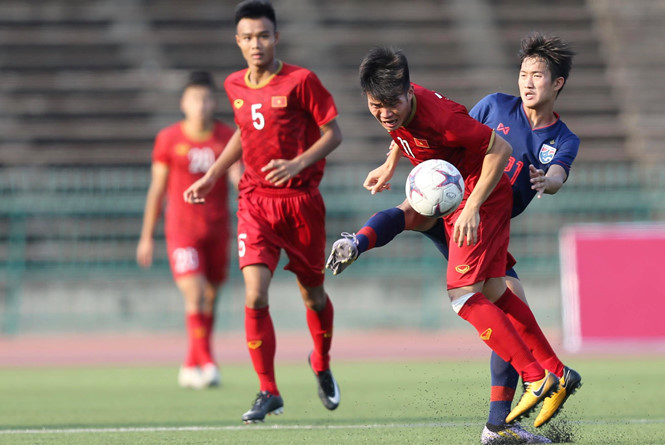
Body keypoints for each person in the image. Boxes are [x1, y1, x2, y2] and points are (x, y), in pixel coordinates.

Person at [327, 34, 583, 444]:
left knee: (464, 295)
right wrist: (391, 161)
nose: (384, 114)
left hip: (480, 200)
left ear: (557, 84)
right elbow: (403, 131)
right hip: (455, 196)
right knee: (496, 293)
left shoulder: (451, 118)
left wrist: (474, 206)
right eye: (375, 107)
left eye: (538, 75)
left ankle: (535, 381)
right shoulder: (484, 105)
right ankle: (549, 377)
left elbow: (499, 150)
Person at [183, 0, 343, 424]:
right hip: (255, 202)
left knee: (313, 294)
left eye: (264, 36)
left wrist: (298, 163)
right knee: (254, 293)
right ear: (238, 41)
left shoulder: (301, 81)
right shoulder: (234, 84)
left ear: (276, 37)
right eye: (248, 37)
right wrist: (214, 174)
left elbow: (333, 133)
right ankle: (268, 389)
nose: (257, 44)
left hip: (301, 203)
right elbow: (243, 132)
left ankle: (322, 362)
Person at [137, 70, 240, 389]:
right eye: (195, 99)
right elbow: (157, 189)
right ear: (184, 103)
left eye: (207, 99)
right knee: (194, 293)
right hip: (182, 231)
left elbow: (238, 175)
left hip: (217, 229)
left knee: (210, 297)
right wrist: (146, 237)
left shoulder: (226, 136)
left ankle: (190, 363)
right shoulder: (168, 139)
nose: (201, 105)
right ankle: (208, 361)